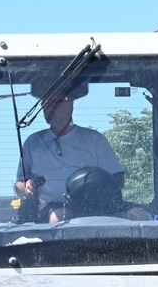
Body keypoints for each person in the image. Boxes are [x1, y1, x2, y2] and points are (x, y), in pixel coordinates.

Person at [14, 88, 126, 222]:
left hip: (96, 207)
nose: (48, 108)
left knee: (137, 215)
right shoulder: (33, 143)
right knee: (59, 216)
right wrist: (27, 187)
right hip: (50, 210)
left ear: (70, 105)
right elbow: (19, 184)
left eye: (55, 102)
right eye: (44, 104)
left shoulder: (94, 139)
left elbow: (117, 179)